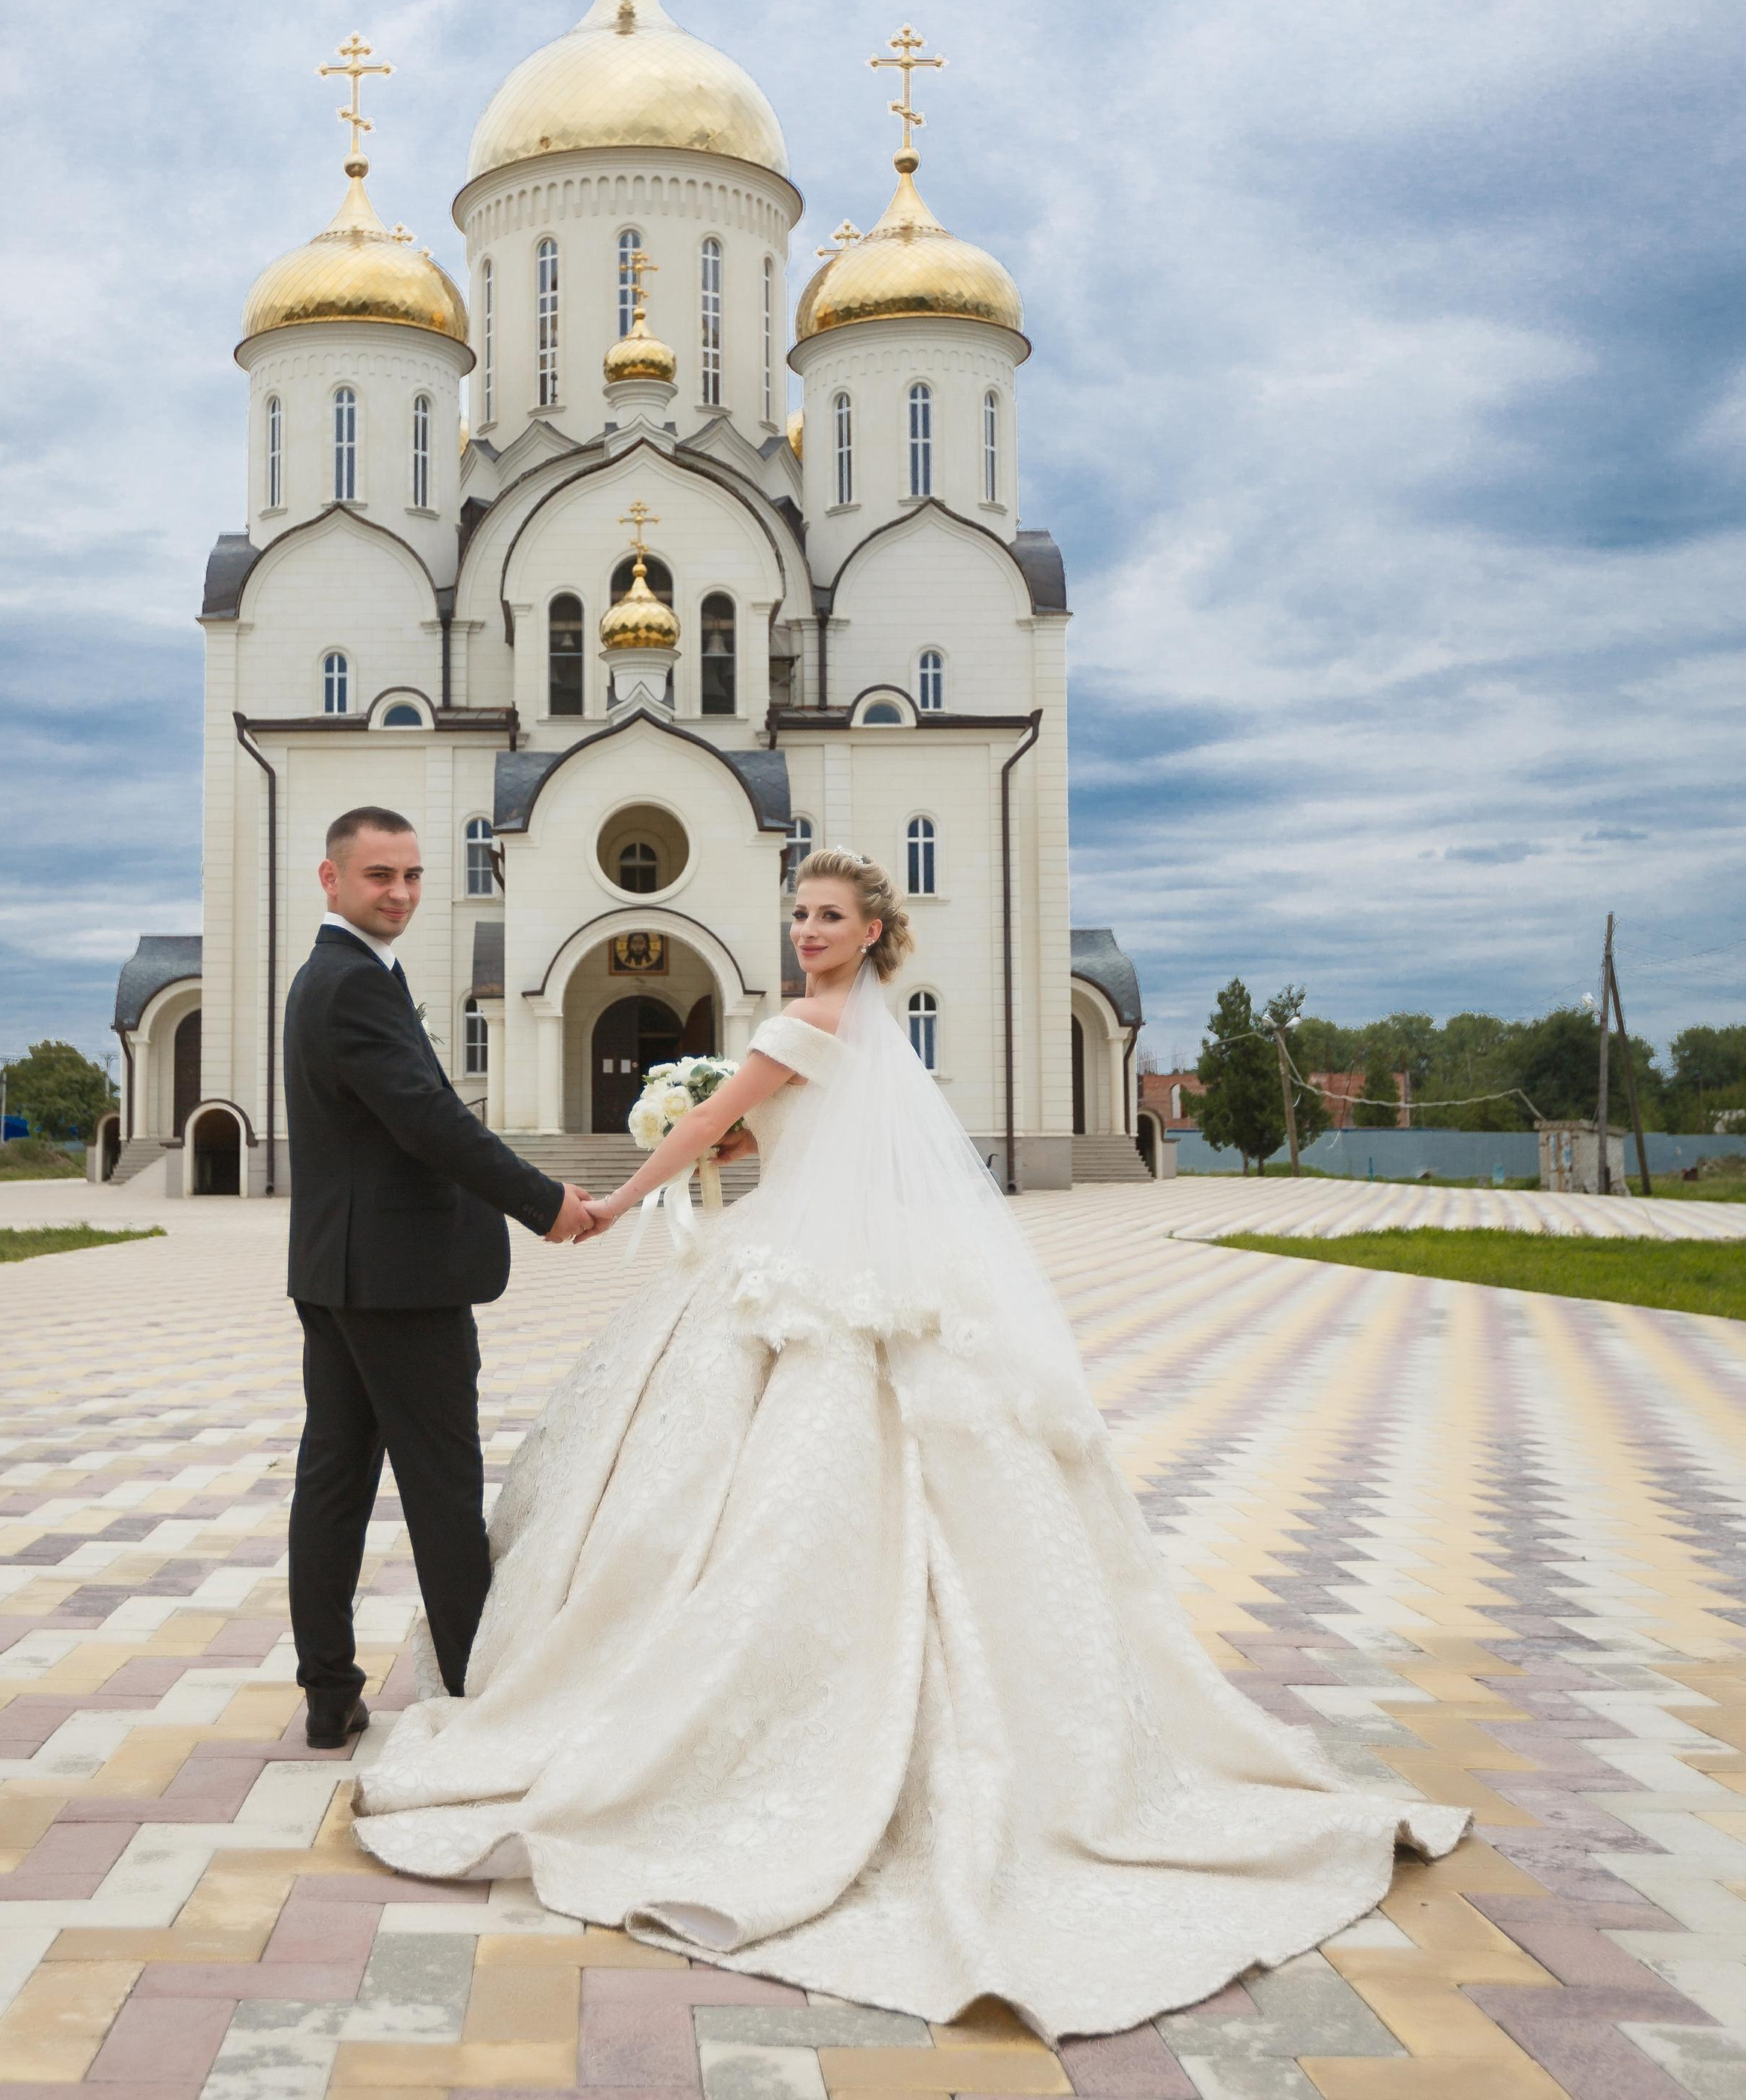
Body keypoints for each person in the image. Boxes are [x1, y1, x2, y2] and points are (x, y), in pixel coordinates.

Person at [353, 848, 1466, 2040]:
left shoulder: (800, 1020)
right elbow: (784, 1137)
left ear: (876, 931)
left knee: (744, 1487)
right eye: (799, 914)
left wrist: (619, 1202)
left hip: (790, 1265)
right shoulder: (868, 1031)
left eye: (830, 917)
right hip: (856, 1256)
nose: (808, 931)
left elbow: (716, 1126)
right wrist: (735, 1143)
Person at [283, 805, 595, 1750]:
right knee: (443, 1490)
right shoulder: (352, 984)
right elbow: (429, 1120)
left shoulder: (338, 978)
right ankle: (477, 1694)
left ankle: (331, 1695)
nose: (403, 893)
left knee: (334, 1483)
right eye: (381, 876)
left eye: (414, 875)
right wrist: (543, 1202)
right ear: (332, 880)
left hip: (341, 1272)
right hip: (398, 1282)